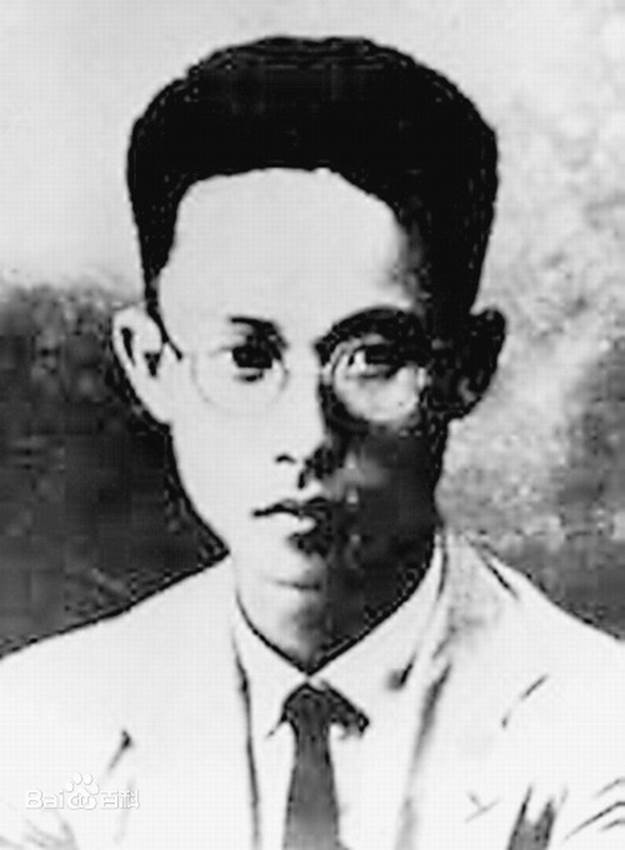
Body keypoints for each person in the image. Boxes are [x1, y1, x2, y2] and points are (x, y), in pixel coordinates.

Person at [0, 35, 624, 850]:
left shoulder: (593, 729)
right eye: (246, 357)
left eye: (373, 356)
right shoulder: (48, 732)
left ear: (467, 368)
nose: (306, 437)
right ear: (151, 365)